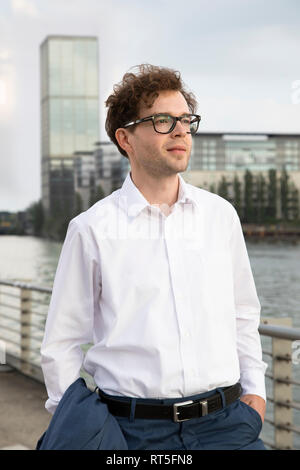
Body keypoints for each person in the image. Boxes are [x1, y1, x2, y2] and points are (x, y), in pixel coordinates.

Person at [40, 64, 268, 450]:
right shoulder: (91, 229)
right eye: (163, 120)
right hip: (130, 433)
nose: (181, 130)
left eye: (185, 120)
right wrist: (89, 431)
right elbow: (61, 343)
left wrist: (257, 396)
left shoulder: (221, 216)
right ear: (125, 138)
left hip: (228, 426)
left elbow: (243, 313)